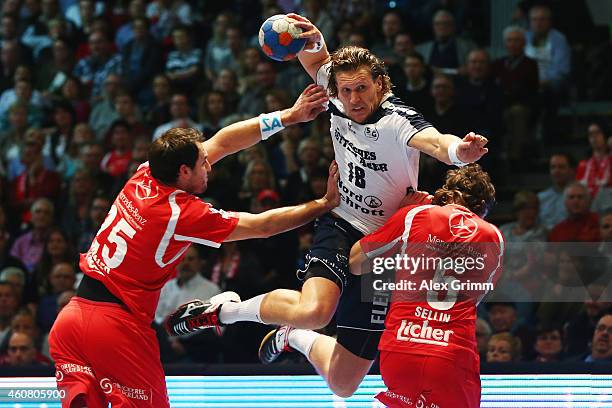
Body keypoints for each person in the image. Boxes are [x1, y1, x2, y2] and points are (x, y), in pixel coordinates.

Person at [165, 13, 489, 398]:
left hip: (385, 243)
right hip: (342, 224)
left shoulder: (399, 120)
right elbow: (318, 63)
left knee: (343, 384)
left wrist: (460, 151)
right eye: (346, 90)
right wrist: (314, 41)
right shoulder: (336, 94)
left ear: (380, 85)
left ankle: (295, 339)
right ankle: (225, 311)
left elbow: (437, 143)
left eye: (362, 89)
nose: (353, 100)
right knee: (316, 310)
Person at [48, 84, 337, 408]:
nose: (210, 165)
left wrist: (288, 116)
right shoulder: (180, 214)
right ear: (184, 171)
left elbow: (224, 142)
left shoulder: (146, 173)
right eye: (203, 163)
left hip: (71, 321)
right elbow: (263, 226)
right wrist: (323, 203)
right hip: (115, 326)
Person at [352, 164, 503, 407]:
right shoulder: (493, 237)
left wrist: (398, 225)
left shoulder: (414, 215)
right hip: (452, 357)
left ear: (447, 193)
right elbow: (476, 298)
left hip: (400, 350)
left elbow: (356, 263)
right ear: (481, 208)